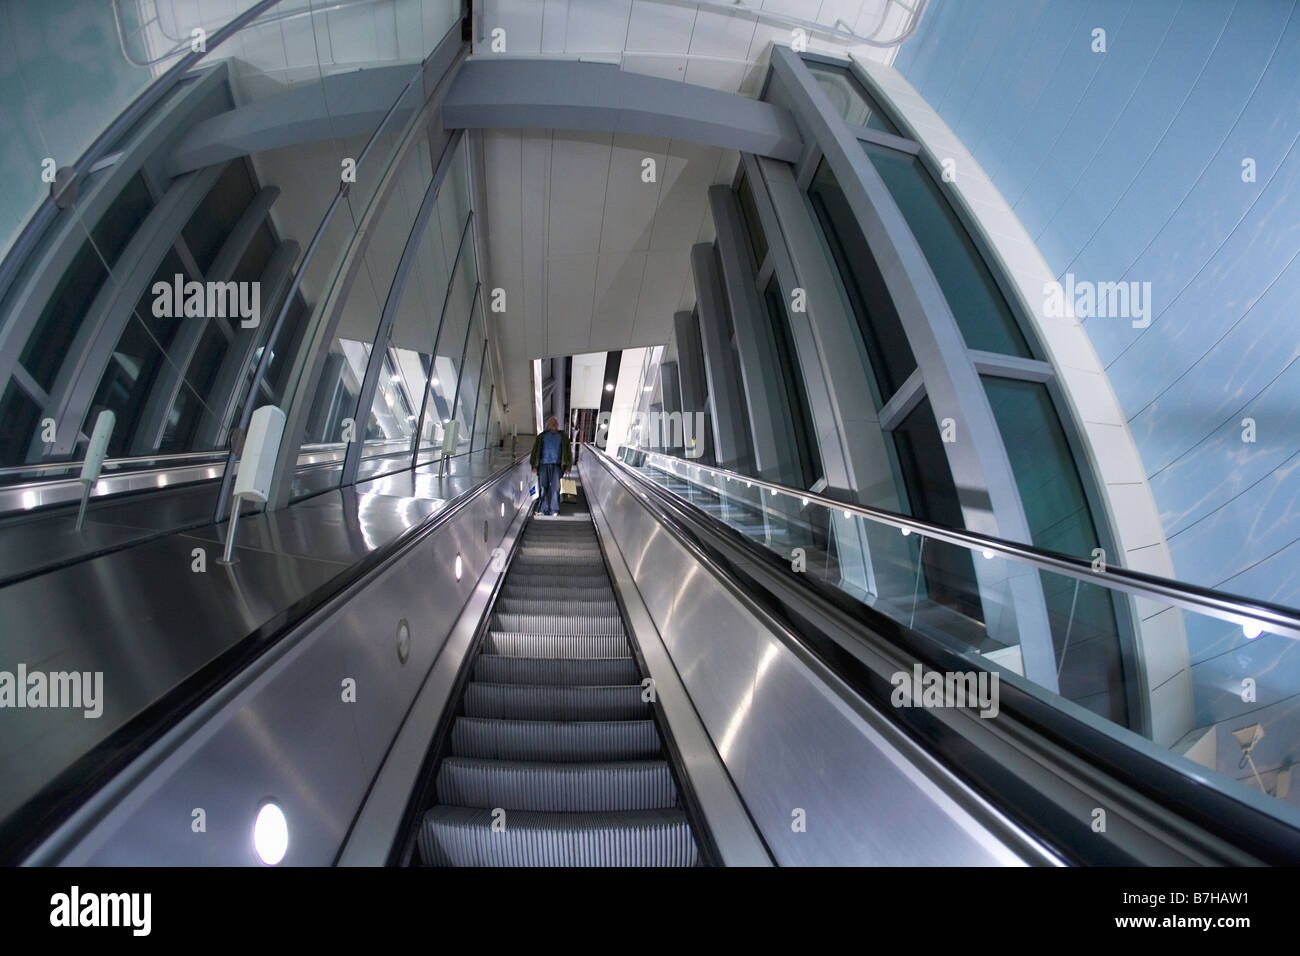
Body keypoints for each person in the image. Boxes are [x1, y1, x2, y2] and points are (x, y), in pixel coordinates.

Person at [530, 416, 572, 517]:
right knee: (543, 488)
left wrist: (568, 467)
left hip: (557, 466)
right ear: (548, 425)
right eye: (552, 422)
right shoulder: (541, 436)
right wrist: (534, 465)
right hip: (543, 465)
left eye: (555, 423)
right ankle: (542, 509)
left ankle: (554, 510)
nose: (554, 424)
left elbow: (568, 453)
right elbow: (535, 451)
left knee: (555, 488)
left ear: (558, 425)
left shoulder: (563, 437)